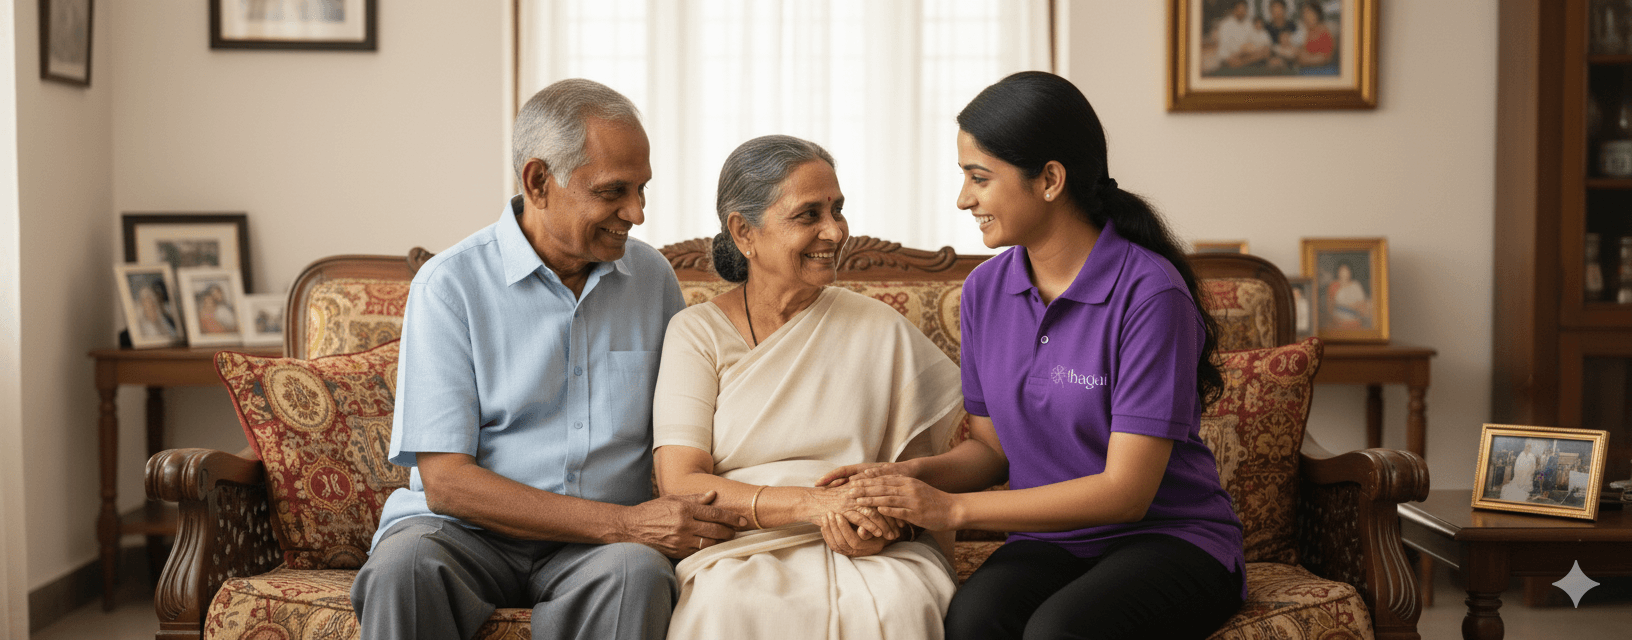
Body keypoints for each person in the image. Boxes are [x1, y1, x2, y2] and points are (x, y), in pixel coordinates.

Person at [831, 71, 1246, 639]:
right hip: (1052, 542)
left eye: (980, 178)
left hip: (1170, 539)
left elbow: (1126, 494)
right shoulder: (984, 290)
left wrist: (951, 510)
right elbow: (991, 451)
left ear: (1050, 179)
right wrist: (903, 479)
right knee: (972, 619)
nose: (963, 199)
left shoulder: (1150, 293)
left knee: (1058, 631)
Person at [350, 79, 748, 640]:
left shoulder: (652, 279)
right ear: (539, 181)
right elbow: (446, 483)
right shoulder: (450, 284)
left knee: (637, 574)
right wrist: (623, 523)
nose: (635, 212)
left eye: (642, 189)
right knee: (405, 568)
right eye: (613, 192)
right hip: (464, 534)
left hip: (601, 555)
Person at [652, 135, 963, 639]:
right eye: (808, 215)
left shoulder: (878, 326)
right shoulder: (697, 333)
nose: (835, 231)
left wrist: (893, 512)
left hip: (870, 544)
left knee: (901, 603)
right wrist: (815, 506)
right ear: (743, 232)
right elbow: (681, 483)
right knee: (729, 607)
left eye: (837, 210)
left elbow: (975, 453)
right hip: (742, 548)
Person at [1215, 0, 1270, 69]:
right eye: (1239, 8)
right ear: (1234, 10)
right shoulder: (1225, 25)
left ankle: (1243, 64)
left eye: (1244, 9)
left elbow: (1256, 40)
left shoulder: (1249, 23)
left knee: (1265, 51)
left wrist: (1251, 49)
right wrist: (1241, 51)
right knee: (1234, 61)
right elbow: (1224, 50)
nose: (1242, 11)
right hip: (1230, 57)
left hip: (1247, 55)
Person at [1325, 261, 1369, 329]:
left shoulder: (1356, 285)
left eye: (1346, 271)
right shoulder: (1333, 285)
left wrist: (1354, 306)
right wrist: (1335, 319)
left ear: (1350, 272)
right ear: (1338, 272)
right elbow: (1329, 307)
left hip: (1355, 321)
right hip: (1338, 322)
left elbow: (1363, 305)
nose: (1344, 274)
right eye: (1342, 271)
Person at [1295, 2, 1336, 73]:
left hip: (1323, 71)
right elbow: (1301, 52)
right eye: (1304, 14)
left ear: (1317, 15)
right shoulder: (1306, 32)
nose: (1306, 17)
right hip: (1306, 70)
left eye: (1309, 13)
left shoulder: (1324, 31)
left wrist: (1307, 59)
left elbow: (1326, 58)